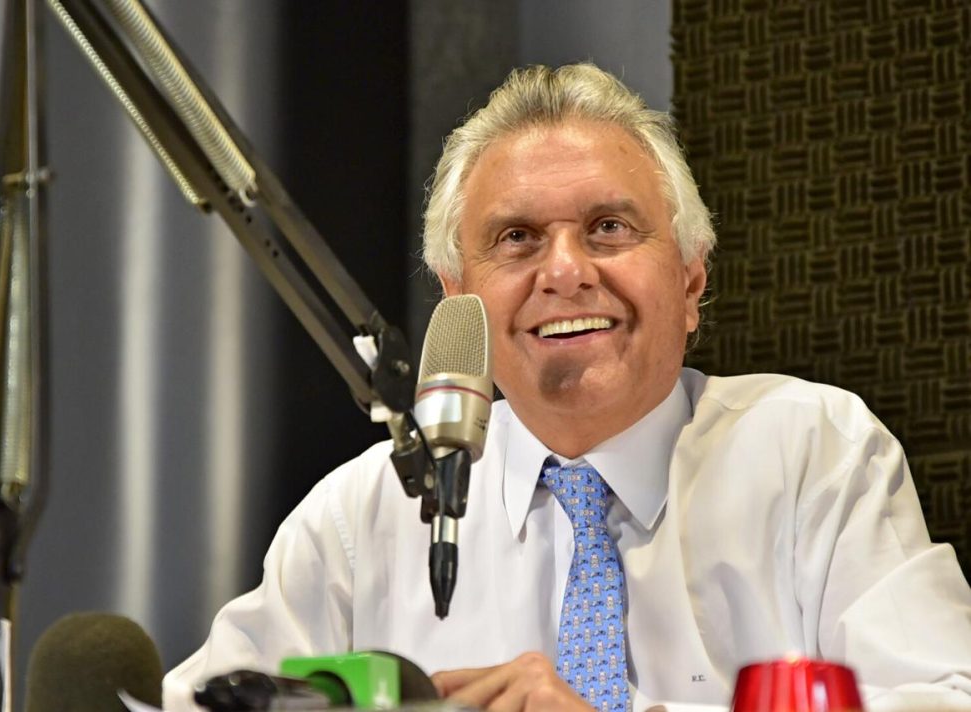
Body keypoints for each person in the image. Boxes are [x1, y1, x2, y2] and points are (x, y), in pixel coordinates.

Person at [164, 63, 971, 711]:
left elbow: (943, 695)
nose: (563, 272)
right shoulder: (361, 518)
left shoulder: (814, 455)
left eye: (608, 228)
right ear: (459, 303)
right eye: (517, 237)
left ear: (691, 281)